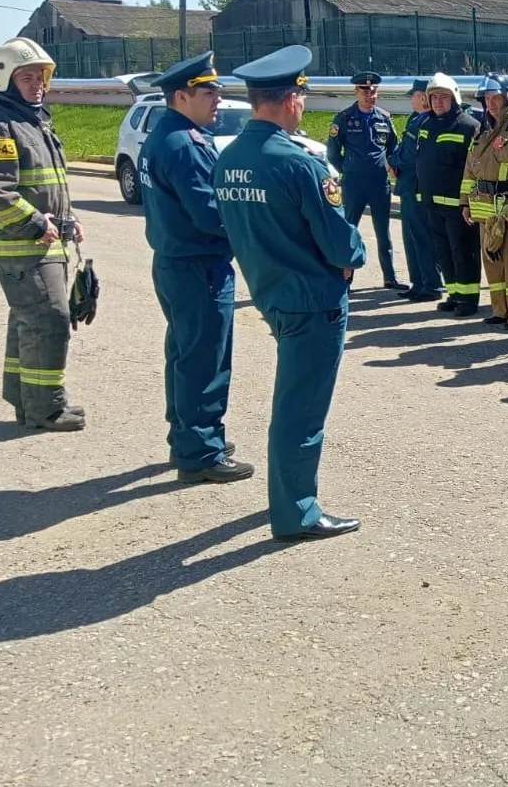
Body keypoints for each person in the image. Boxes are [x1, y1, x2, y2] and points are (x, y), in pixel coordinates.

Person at [213, 45, 365, 542]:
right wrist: (355, 254)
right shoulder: (300, 163)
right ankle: (296, 510)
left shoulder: (229, 157)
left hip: (271, 291)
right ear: (291, 99)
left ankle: (288, 494)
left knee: (295, 401)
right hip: (314, 298)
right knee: (302, 409)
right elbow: (342, 245)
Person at [138, 51, 252, 482]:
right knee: (205, 359)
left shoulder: (164, 134)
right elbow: (212, 214)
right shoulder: (185, 144)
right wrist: (253, 236)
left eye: (219, 91)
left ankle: (188, 434)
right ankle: (201, 450)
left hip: (174, 262)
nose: (217, 100)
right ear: (182, 96)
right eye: (209, 92)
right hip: (199, 265)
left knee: (184, 355)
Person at [0, 37, 85, 431]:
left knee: (27, 320)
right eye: (26, 77)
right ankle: (47, 409)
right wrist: (37, 223)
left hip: (44, 243)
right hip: (22, 245)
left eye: (41, 76)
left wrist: (68, 218)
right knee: (50, 320)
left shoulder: (34, 119)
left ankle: (25, 402)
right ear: (5, 79)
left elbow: (49, 185)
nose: (37, 84)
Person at [462, 73, 508, 330]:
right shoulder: (483, 129)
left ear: (507, 97)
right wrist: (465, 202)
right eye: (487, 98)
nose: (491, 103)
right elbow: (471, 168)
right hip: (485, 208)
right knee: (492, 261)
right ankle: (500, 309)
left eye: (496, 97)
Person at [327, 71, 402, 290]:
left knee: (383, 231)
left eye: (374, 90)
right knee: (349, 229)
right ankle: (345, 278)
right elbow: (333, 152)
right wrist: (347, 170)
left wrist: (390, 165)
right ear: (356, 91)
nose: (370, 95)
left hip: (379, 183)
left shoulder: (384, 118)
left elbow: (393, 148)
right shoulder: (343, 118)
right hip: (354, 184)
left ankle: (390, 277)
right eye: (365, 90)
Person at [418, 73, 483, 316]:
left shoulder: (468, 126)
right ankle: (455, 294)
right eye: (434, 97)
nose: (438, 102)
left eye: (443, 97)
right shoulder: (426, 125)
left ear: (454, 98)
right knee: (444, 253)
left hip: (458, 206)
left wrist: (468, 201)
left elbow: (473, 168)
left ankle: (468, 300)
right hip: (433, 204)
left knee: (463, 252)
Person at [390, 78, 444, 302]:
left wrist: (392, 160)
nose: (411, 99)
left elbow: (410, 154)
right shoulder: (416, 119)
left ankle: (431, 284)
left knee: (422, 237)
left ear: (422, 97)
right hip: (408, 186)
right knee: (413, 238)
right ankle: (419, 282)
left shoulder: (424, 122)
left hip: (416, 187)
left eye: (413, 95)